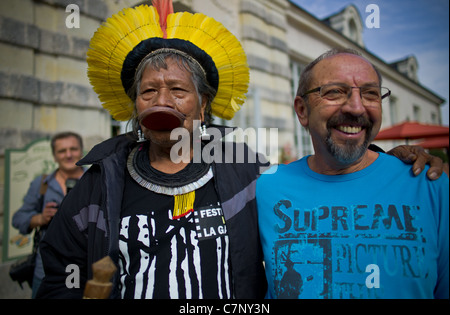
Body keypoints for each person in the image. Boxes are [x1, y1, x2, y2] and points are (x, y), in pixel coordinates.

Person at [37, 3, 442, 299]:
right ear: (135, 107)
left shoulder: (249, 173)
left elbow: (334, 170)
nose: (163, 101)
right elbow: (54, 273)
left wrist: (387, 159)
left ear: (203, 105)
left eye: (178, 90)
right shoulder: (98, 184)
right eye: (148, 92)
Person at [257, 48, 449, 299]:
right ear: (302, 110)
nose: (357, 108)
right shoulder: (265, 188)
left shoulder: (429, 183)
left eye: (370, 93)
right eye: (335, 92)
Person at [12, 131, 85, 298]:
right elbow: (18, 218)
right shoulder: (42, 184)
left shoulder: (95, 180)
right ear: (54, 156)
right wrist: (40, 218)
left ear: (81, 151)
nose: (68, 155)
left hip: (85, 267)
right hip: (46, 269)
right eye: (62, 151)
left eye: (73, 149)